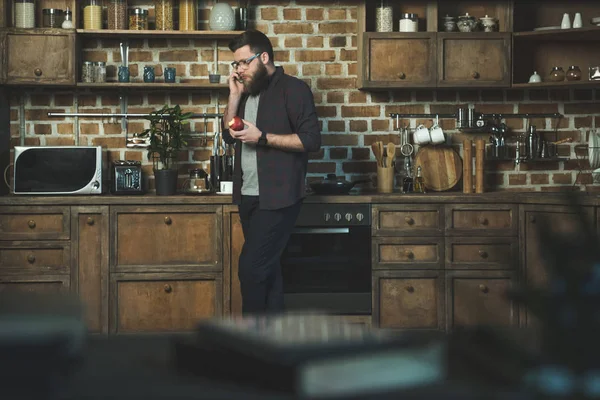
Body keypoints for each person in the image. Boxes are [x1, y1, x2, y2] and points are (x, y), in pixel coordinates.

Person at [222, 30, 321, 315]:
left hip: (278, 199)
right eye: (236, 64)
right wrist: (233, 96)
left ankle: (251, 344)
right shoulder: (245, 91)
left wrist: (262, 137)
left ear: (263, 57)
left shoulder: (294, 89)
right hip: (248, 197)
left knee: (250, 269)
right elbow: (229, 135)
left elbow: (311, 141)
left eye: (244, 62)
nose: (239, 70)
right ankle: (274, 341)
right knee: (268, 272)